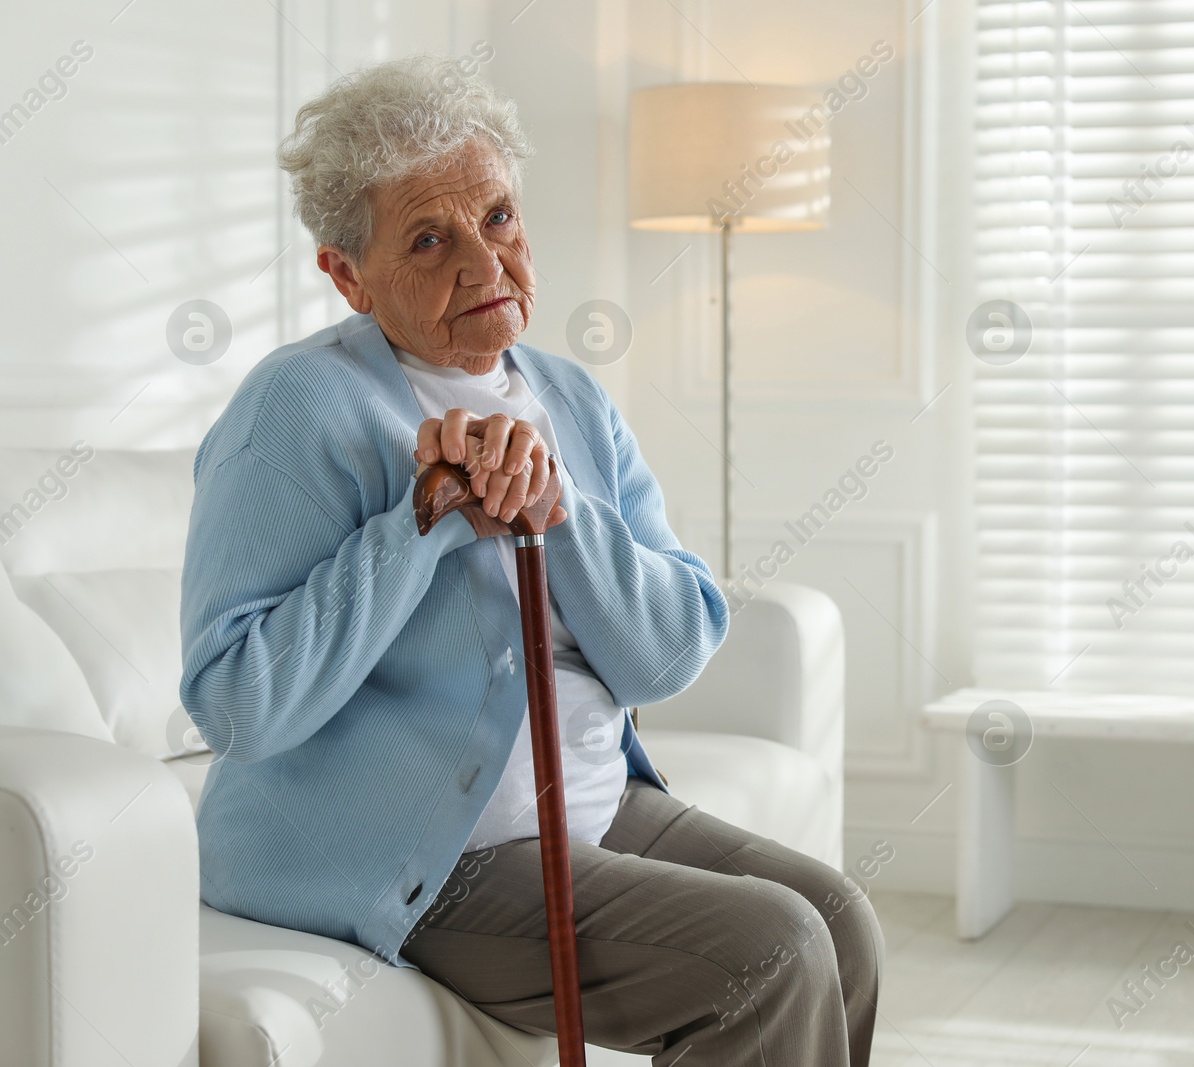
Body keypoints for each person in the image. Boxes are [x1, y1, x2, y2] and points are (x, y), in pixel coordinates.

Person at [179, 54, 883, 1066]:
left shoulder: (569, 395)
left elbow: (669, 652)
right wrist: (416, 527)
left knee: (840, 920)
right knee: (768, 953)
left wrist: (558, 511)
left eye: (498, 217)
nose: (481, 263)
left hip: (592, 801)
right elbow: (238, 703)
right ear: (347, 273)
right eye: (429, 238)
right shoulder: (293, 410)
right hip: (418, 846)